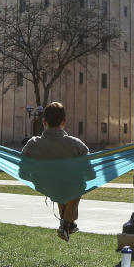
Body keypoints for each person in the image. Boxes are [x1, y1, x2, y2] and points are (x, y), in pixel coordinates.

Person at [21, 101, 89, 241]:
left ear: (44, 121)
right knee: (76, 183)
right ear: (64, 121)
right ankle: (67, 223)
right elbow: (91, 174)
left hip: (47, 185)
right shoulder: (76, 145)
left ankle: (66, 224)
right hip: (70, 186)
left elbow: (23, 173)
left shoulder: (33, 144)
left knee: (61, 184)